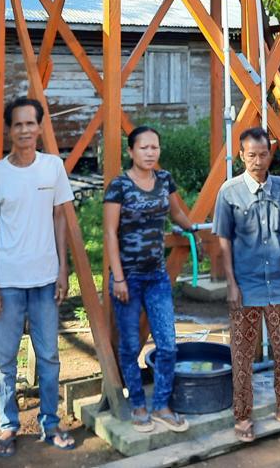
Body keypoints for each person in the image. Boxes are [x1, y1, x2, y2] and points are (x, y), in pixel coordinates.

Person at [0, 97, 77, 456]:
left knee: (48, 355)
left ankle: (50, 423)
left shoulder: (52, 168)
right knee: (5, 359)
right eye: (17, 124)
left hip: (46, 279)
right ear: (9, 130)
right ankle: (7, 426)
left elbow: (59, 219)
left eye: (29, 123)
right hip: (6, 282)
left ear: (39, 127)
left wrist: (63, 270)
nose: (23, 130)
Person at [213, 126, 280, 442]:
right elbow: (224, 240)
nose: (257, 161)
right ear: (241, 154)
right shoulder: (229, 192)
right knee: (241, 354)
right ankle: (242, 416)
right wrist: (231, 283)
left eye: (263, 154)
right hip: (246, 285)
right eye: (251, 155)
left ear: (271, 154)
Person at [104, 126, 196, 433]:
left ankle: (161, 405)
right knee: (130, 345)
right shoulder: (119, 186)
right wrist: (117, 278)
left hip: (156, 277)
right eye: (143, 148)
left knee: (168, 345)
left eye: (154, 147)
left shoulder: (164, 180)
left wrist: (197, 228)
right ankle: (137, 405)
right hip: (127, 277)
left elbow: (178, 214)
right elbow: (109, 234)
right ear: (131, 152)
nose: (150, 152)